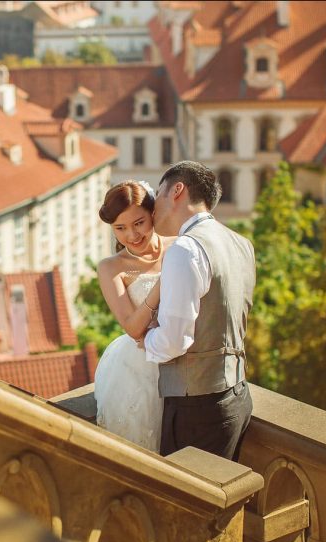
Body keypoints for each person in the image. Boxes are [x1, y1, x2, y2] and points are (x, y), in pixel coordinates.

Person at [127, 161, 256, 461]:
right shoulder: (241, 243)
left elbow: (174, 341)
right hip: (237, 396)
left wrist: (144, 341)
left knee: (184, 505)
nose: (153, 206)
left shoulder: (185, 249)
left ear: (177, 190)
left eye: (158, 194)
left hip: (197, 407)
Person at [93, 180, 170, 452]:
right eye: (120, 228)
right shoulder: (111, 268)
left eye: (138, 223)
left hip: (185, 360)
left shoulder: (180, 246)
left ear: (153, 214)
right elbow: (133, 328)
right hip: (137, 370)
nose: (131, 235)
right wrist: (161, 286)